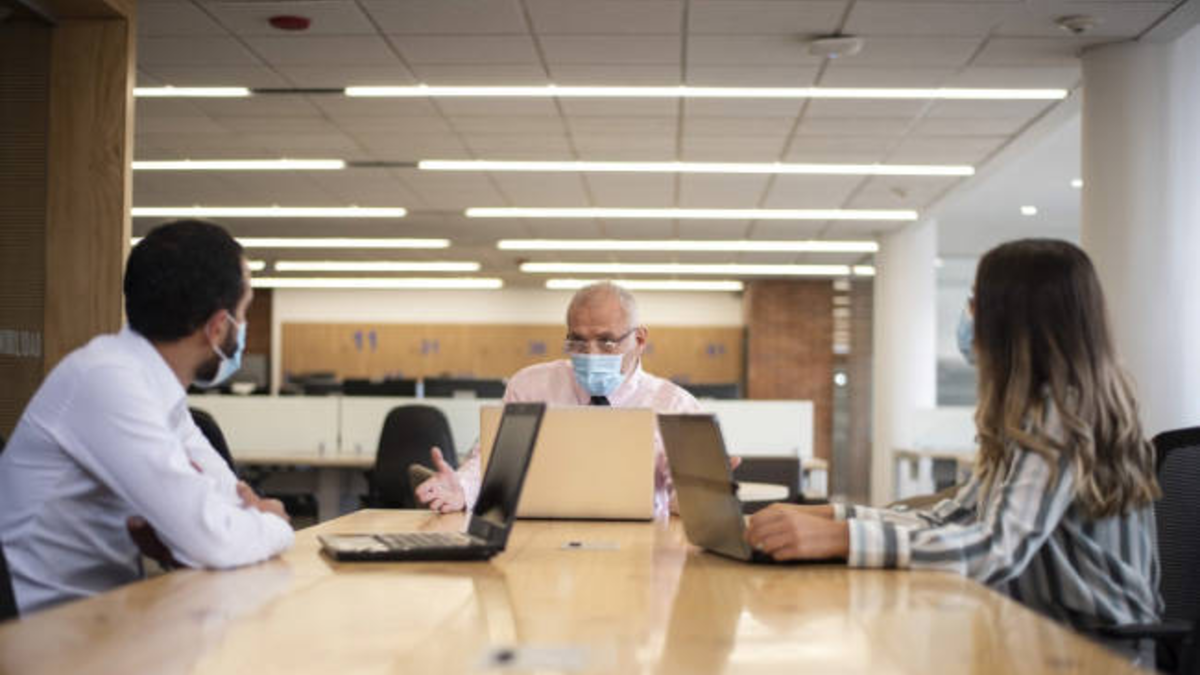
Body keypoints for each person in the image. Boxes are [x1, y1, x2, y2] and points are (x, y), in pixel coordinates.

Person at [745, 239, 1162, 658]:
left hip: (1095, 647)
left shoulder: (1064, 412)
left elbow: (998, 548)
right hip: (1034, 629)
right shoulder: (1025, 413)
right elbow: (951, 518)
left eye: (977, 303)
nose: (969, 316)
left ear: (1012, 321)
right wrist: (829, 515)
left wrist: (841, 538)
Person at [0, 220, 294, 614]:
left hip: (105, 613)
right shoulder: (107, 380)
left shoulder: (156, 389)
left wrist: (241, 522)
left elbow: (228, 503)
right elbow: (212, 540)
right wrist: (275, 523)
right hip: (42, 629)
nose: (242, 329)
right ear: (217, 327)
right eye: (242, 314)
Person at [416, 282, 702, 518]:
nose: (591, 354)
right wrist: (462, 487)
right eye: (578, 341)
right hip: (541, 539)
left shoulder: (674, 405)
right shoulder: (531, 386)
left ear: (639, 340)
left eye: (606, 341)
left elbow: (689, 496)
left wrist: (699, 496)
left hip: (640, 547)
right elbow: (493, 461)